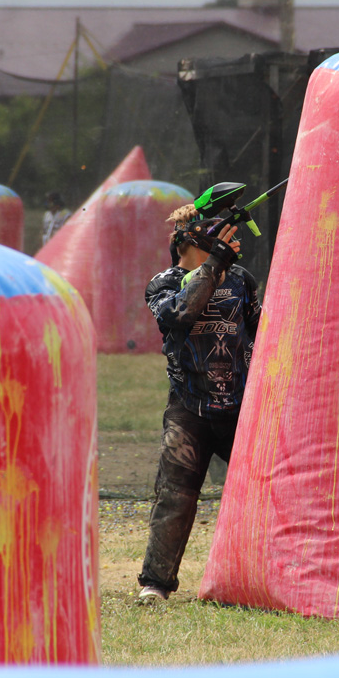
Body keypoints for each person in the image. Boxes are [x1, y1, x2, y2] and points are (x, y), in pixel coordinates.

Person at [137, 202, 261, 603]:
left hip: (242, 408)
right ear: (190, 243)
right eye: (217, 240)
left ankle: (265, 576)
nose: (228, 245)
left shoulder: (240, 280)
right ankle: (156, 583)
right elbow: (179, 314)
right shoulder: (163, 284)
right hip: (188, 408)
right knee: (174, 496)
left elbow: (264, 331)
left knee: (264, 490)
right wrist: (213, 266)